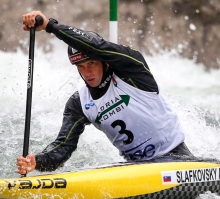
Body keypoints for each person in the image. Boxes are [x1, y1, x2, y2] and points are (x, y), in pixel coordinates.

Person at [17, 11, 193, 175]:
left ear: (104, 62)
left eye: (92, 63)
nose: (87, 73)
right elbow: (63, 147)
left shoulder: (133, 71)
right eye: (81, 67)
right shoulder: (79, 103)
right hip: (137, 171)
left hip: (177, 158)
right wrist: (36, 162)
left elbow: (98, 48)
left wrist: (50, 26)